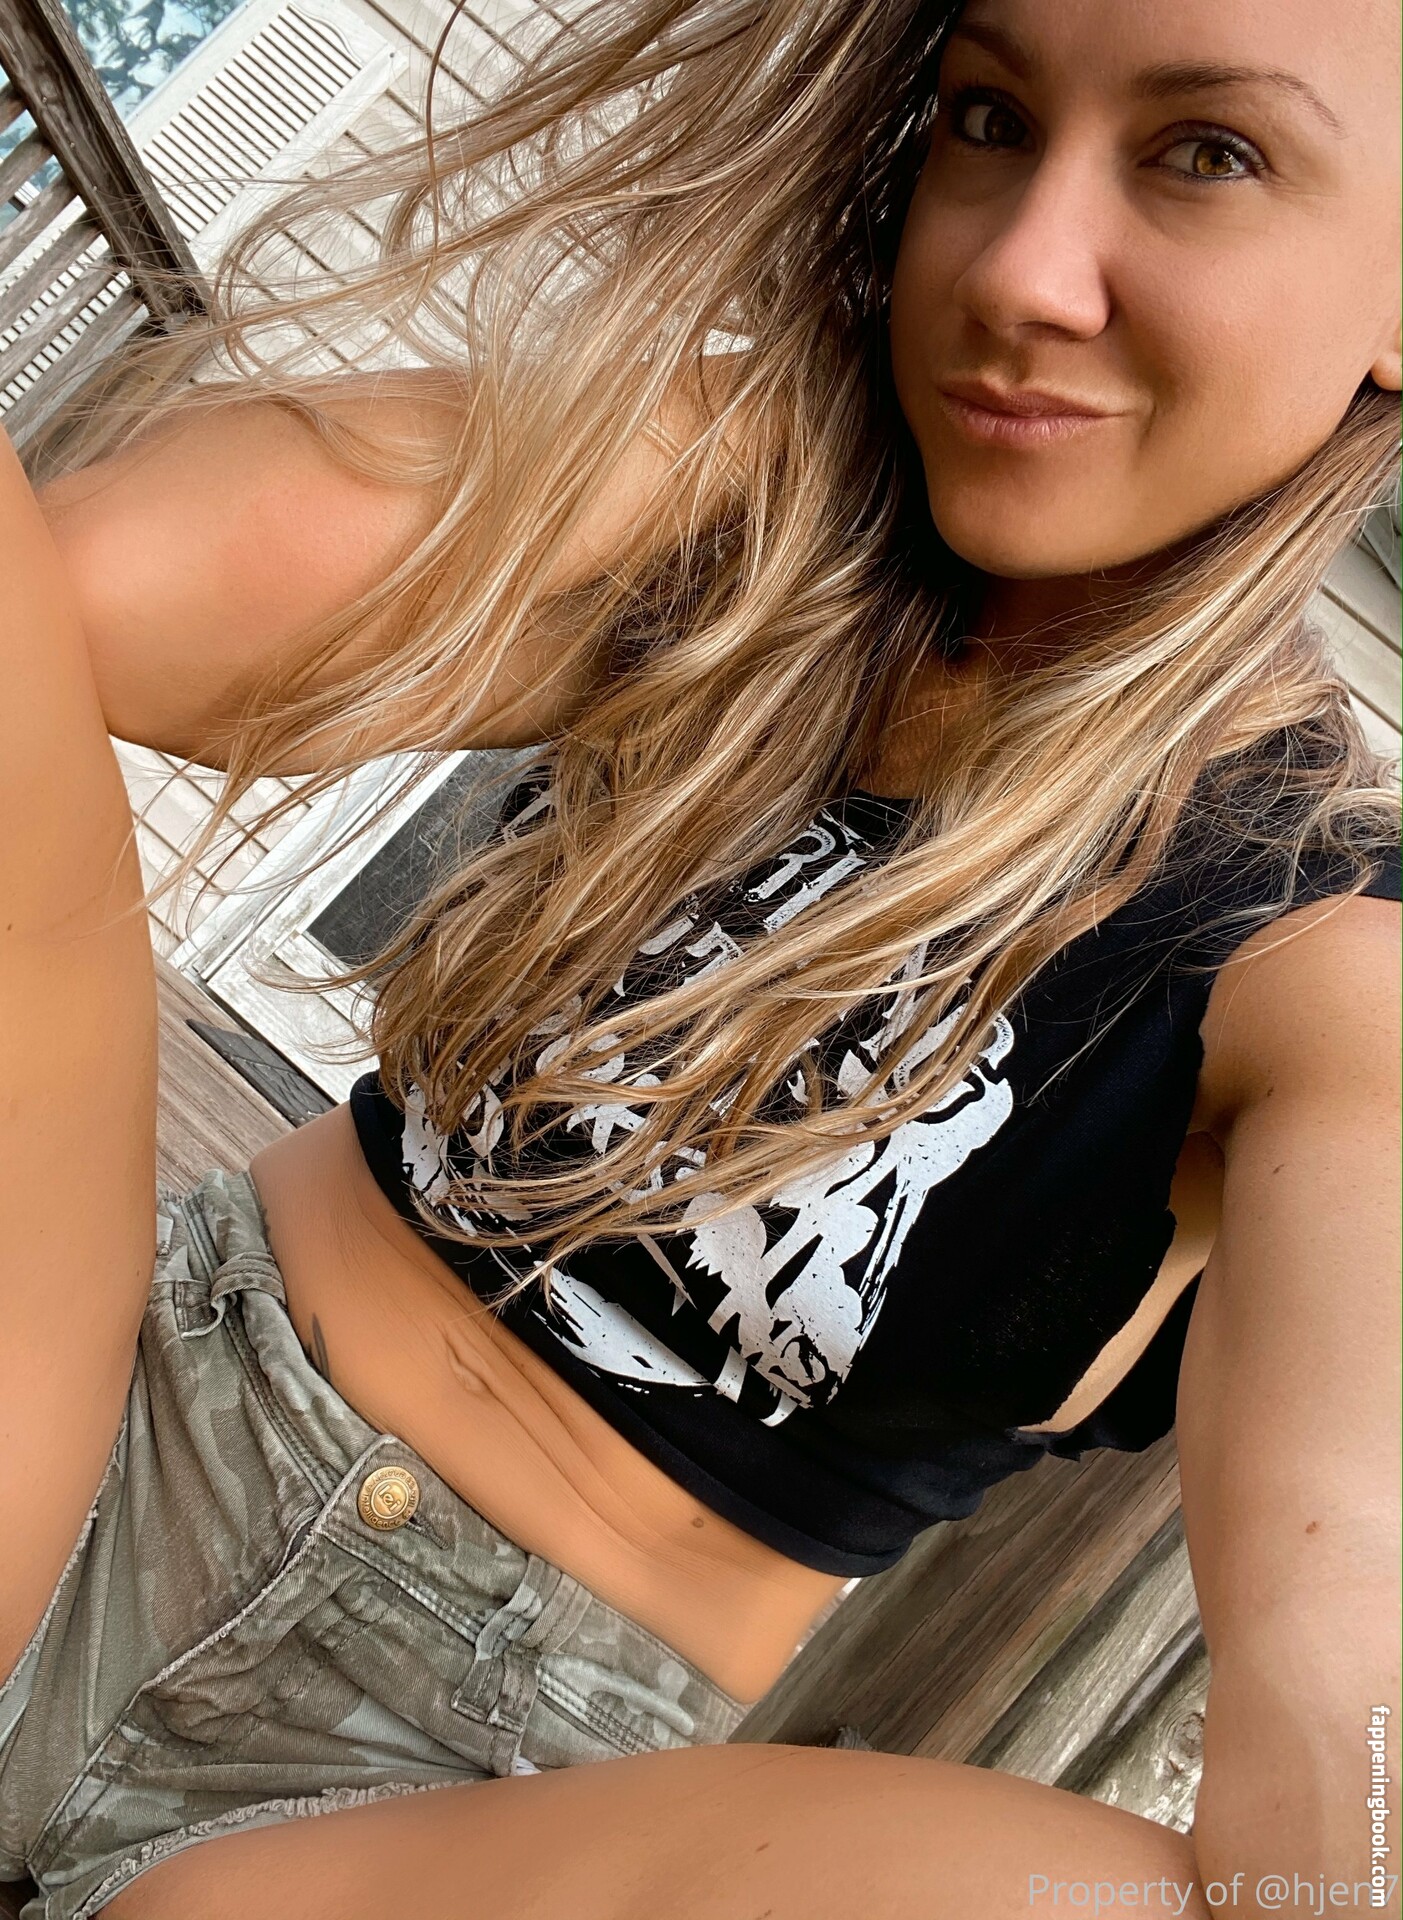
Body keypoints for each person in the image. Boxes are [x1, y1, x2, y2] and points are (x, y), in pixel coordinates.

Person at [0, 0, 1399, 1912]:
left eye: (1208, 154)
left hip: (446, 1812)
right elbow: (84, 601)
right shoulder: (757, 532)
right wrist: (686, 431)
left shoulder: (1331, 958)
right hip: (80, 1387)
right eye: (990, 118)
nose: (1018, 270)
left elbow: (1345, 1672)